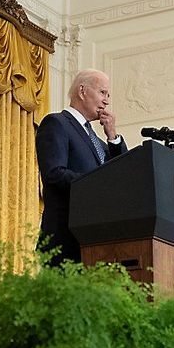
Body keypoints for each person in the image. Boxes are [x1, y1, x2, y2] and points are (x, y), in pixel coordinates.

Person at [36, 69, 127, 265]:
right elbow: (54, 174)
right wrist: (96, 185)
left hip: (97, 244)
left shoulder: (99, 142)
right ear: (82, 91)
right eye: (102, 92)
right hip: (65, 241)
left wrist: (112, 136)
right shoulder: (57, 123)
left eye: (108, 95)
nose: (107, 101)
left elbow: (122, 175)